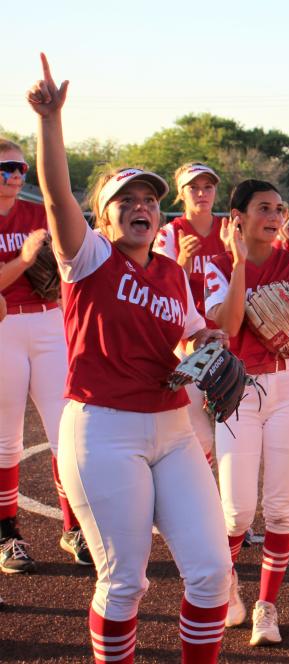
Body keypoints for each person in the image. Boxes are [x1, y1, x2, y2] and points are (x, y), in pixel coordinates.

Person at [28, 54, 232, 663]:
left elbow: (195, 337)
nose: (141, 205)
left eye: (150, 198)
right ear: (103, 214)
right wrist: (51, 121)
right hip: (103, 430)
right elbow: (56, 191)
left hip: (171, 428)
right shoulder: (87, 257)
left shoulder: (172, 273)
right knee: (123, 583)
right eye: (126, 199)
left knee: (211, 573)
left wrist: (208, 349)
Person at [204, 178, 289, 647]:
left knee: (280, 509)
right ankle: (227, 585)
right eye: (263, 208)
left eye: (279, 207)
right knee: (237, 513)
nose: (275, 215)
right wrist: (239, 264)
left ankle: (266, 605)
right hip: (238, 390)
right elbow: (230, 325)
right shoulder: (218, 266)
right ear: (237, 217)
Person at [0, 137, 89, 571]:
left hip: (49, 322)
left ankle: (73, 529)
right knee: (6, 440)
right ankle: (7, 535)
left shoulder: (40, 214)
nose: (15, 176)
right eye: (5, 169)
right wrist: (25, 257)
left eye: (19, 168)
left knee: (65, 431)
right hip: (4, 327)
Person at [152, 162, 228, 468]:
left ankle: (232, 504)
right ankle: (206, 497)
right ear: (181, 194)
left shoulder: (228, 230)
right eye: (193, 188)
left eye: (207, 187)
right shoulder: (170, 233)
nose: (201, 193)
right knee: (199, 433)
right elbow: (158, 290)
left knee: (233, 429)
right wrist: (182, 260)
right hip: (188, 343)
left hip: (228, 337)